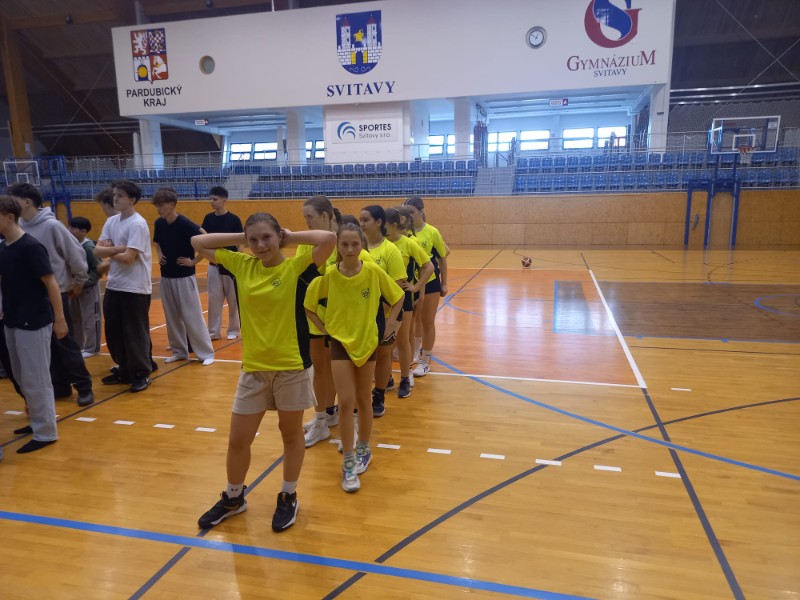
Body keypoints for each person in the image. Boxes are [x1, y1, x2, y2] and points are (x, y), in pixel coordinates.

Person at [192, 213, 335, 532]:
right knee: (238, 439)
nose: (259, 245)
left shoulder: (295, 267)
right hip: (254, 369)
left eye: (266, 237)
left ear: (278, 237)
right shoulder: (242, 265)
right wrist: (242, 238)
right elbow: (198, 242)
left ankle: (288, 495)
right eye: (253, 239)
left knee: (291, 434)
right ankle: (233, 497)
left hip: (291, 367)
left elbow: (328, 239)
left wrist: (289, 237)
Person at [304, 223, 404, 492]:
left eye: (355, 244)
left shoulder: (372, 272)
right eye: (344, 244)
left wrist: (390, 324)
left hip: (368, 343)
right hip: (340, 344)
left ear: (362, 245)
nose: (350, 249)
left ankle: (364, 449)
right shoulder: (329, 275)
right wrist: (325, 328)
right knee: (346, 402)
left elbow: (398, 297)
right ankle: (348, 461)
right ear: (337, 247)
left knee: (363, 400)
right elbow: (308, 305)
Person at [299, 197, 378, 448]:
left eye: (310, 216)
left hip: (346, 326)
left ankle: (351, 425)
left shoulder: (350, 246)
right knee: (320, 370)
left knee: (346, 376)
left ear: (325, 216)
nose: (306, 222)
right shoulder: (305, 246)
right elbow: (301, 278)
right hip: (317, 320)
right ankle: (323, 419)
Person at [11, 183, 94, 407]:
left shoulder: (52, 226)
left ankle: (84, 386)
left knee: (64, 342)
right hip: (31, 297)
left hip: (56, 294)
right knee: (46, 345)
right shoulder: (17, 227)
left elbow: (76, 255)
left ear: (26, 202)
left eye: (14, 199)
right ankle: (60, 386)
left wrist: (79, 281)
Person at [0, 195, 66, 454]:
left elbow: (50, 282)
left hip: (35, 321)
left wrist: (59, 319)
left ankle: (46, 431)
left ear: (9, 217)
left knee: (36, 378)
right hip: (13, 319)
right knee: (20, 376)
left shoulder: (30, 247)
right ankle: (36, 420)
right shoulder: (4, 247)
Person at [95, 180, 154, 393]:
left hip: (135, 287)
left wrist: (111, 249)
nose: (115, 198)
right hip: (115, 285)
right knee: (114, 331)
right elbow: (97, 251)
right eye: (114, 195)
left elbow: (129, 258)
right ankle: (124, 368)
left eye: (120, 195)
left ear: (132, 200)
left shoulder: (137, 224)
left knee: (134, 333)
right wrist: (118, 249)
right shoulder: (111, 221)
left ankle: (140, 373)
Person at [152, 188, 215, 366]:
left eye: (161, 205)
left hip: (184, 277)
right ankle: (179, 351)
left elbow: (208, 240)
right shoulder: (159, 223)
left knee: (192, 315)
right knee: (172, 317)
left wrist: (194, 261)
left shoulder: (186, 224)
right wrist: (159, 254)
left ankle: (206, 353)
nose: (158, 209)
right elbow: (157, 243)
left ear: (172, 204)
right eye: (157, 206)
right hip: (166, 276)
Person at [360, 205, 406, 417]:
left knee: (383, 354)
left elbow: (397, 287)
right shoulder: (357, 247)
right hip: (361, 316)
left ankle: (378, 395)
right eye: (360, 220)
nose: (362, 224)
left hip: (386, 313)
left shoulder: (390, 250)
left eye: (366, 220)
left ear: (379, 222)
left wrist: (385, 316)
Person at [385, 207, 434, 398]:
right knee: (385, 342)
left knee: (402, 339)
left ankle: (406, 377)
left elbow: (428, 267)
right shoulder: (379, 244)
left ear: (393, 225)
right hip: (383, 300)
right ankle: (387, 377)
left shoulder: (408, 243)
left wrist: (416, 287)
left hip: (403, 298)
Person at [404, 196, 449, 378]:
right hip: (411, 283)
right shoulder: (405, 232)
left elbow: (442, 259)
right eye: (406, 213)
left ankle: (425, 360)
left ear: (421, 212)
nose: (408, 216)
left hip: (430, 281)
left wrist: (444, 282)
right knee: (415, 319)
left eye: (412, 212)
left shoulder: (432, 232)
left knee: (427, 320)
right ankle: (416, 350)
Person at [201, 186, 242, 341]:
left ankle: (233, 329)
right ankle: (213, 331)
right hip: (214, 265)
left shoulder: (234, 219)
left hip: (231, 265)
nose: (211, 202)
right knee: (214, 300)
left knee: (233, 300)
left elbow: (240, 243)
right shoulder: (208, 219)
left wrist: (238, 262)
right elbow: (203, 239)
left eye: (215, 199)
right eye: (210, 199)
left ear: (224, 199)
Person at [67, 216, 102, 359]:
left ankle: (92, 347)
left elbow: (98, 269)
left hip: (88, 289)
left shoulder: (89, 248)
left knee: (90, 319)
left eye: (73, 228)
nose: (70, 230)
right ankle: (78, 345)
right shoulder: (71, 245)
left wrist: (84, 283)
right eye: (70, 227)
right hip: (74, 288)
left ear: (83, 231)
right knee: (75, 319)